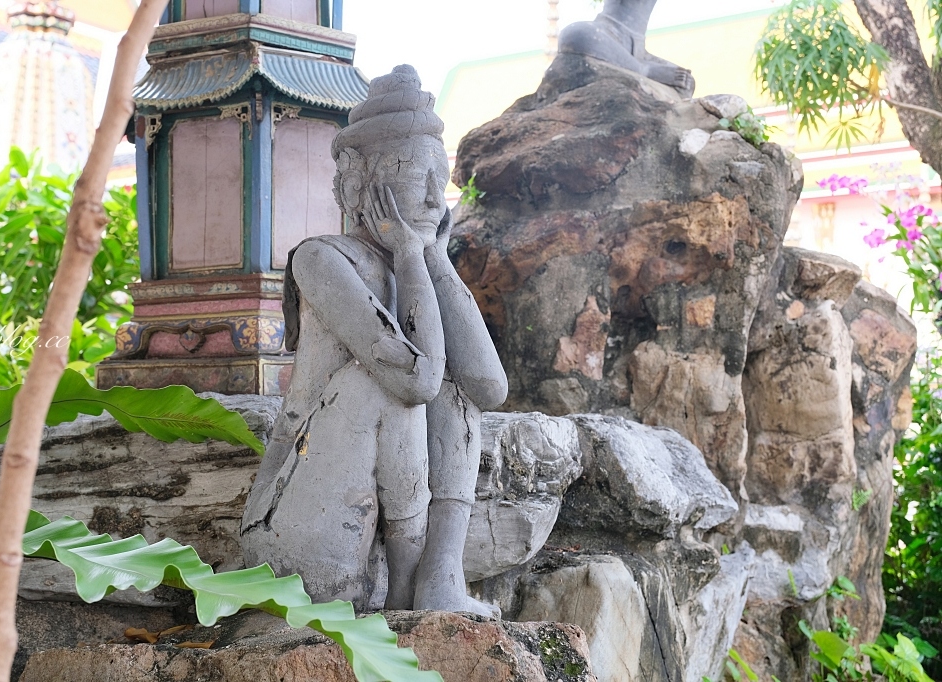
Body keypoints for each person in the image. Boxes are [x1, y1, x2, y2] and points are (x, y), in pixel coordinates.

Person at [241, 65, 507, 616]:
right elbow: (414, 379)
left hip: (370, 528)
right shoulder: (322, 259)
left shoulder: (420, 270)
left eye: (443, 175)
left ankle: (439, 572)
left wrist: (432, 259)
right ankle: (409, 578)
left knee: (455, 381)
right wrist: (411, 258)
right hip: (306, 524)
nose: (437, 194)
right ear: (359, 181)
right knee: (386, 376)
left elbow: (489, 385)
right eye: (415, 173)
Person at [558, 0, 695, 97]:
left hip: (637, 49)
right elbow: (573, 37)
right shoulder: (589, 33)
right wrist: (644, 70)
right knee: (577, 33)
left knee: (687, 82)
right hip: (608, 32)